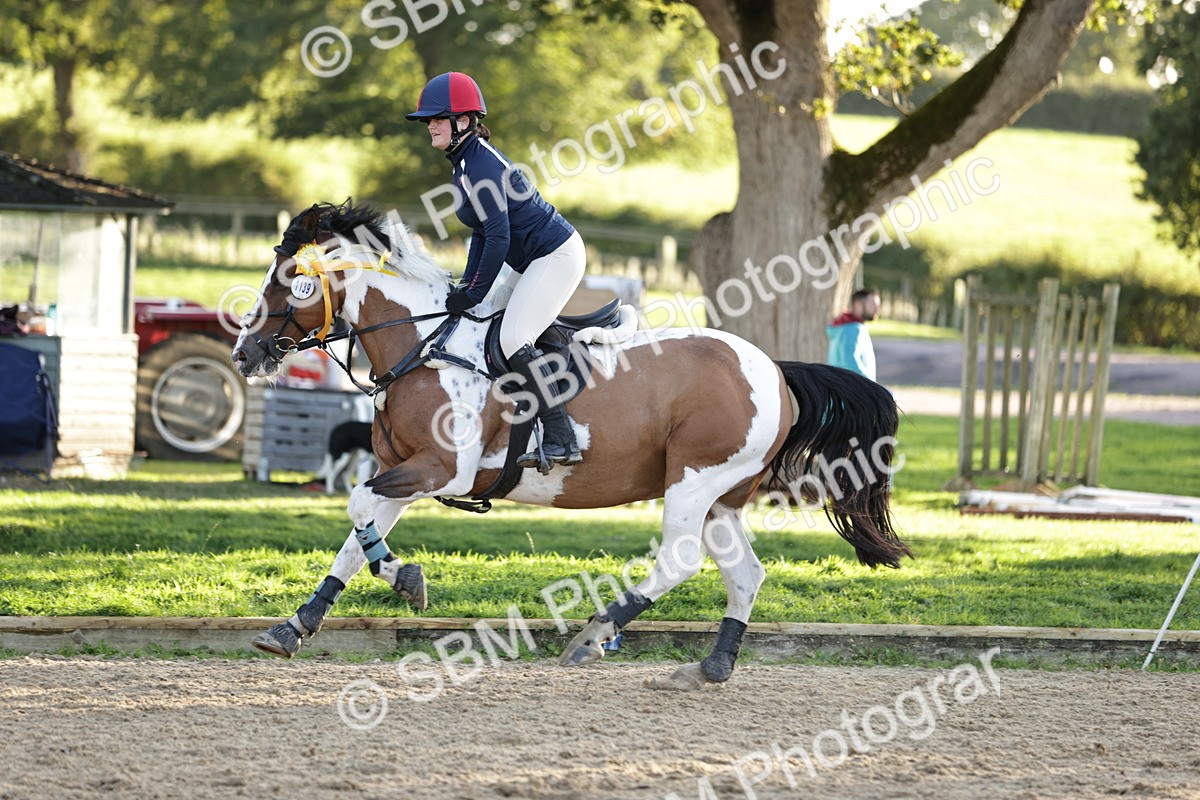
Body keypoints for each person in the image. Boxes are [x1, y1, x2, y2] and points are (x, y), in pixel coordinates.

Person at [406, 72, 584, 469]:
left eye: (437, 117)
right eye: (428, 119)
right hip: (533, 260)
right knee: (481, 319)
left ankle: (562, 437)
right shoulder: (464, 162)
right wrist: (468, 288)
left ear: (463, 122)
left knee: (513, 336)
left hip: (555, 256)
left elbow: (499, 239)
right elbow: (481, 235)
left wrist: (471, 292)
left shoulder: (479, 165)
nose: (429, 124)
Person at [827, 288, 881, 381]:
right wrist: (871, 386)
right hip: (852, 391)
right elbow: (850, 362)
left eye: (878, 306)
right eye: (873, 305)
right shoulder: (853, 329)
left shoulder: (843, 327)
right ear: (858, 304)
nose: (877, 310)